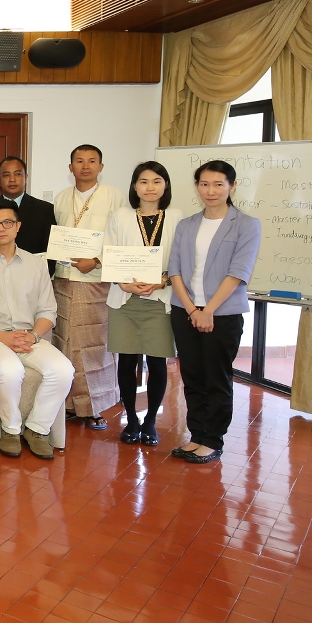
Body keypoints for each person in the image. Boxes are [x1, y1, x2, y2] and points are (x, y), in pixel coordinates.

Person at [0, 200, 74, 460]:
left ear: (18, 226)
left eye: (7, 222)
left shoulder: (36, 264)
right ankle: (11, 430)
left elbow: (48, 310)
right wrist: (2, 337)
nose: (1, 228)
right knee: (10, 370)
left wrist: (33, 335)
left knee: (64, 370)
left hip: (28, 336)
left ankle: (37, 429)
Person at [168, 161, 260, 465]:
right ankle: (196, 435)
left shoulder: (246, 224)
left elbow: (238, 273)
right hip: (185, 310)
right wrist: (193, 309)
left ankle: (213, 440)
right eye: (204, 184)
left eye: (219, 184)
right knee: (192, 376)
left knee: (216, 378)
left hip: (223, 314)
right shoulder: (187, 224)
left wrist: (208, 311)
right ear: (197, 186)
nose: (211, 190)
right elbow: (175, 271)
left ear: (232, 187)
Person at [106, 162, 183, 447]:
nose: (150, 187)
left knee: (157, 360)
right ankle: (131, 418)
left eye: (157, 181)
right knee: (126, 360)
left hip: (160, 299)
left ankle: (150, 419)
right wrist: (123, 282)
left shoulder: (177, 217)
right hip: (124, 299)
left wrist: (163, 282)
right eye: (143, 181)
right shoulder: (120, 216)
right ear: (134, 186)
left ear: (166, 185)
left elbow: (181, 257)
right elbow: (109, 252)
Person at [53, 144, 123, 429]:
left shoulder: (114, 197)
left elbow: (121, 238)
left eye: (92, 161)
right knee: (65, 341)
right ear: (70, 167)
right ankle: (69, 404)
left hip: (96, 281)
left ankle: (94, 405)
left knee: (94, 345)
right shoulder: (60, 198)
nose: (85, 166)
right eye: (79, 161)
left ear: (101, 167)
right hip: (64, 279)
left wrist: (96, 260)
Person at [0, 156, 55, 266]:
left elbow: (51, 251)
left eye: (17, 174)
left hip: (33, 275)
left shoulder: (45, 210)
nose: (12, 179)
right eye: (6, 175)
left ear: (25, 177)